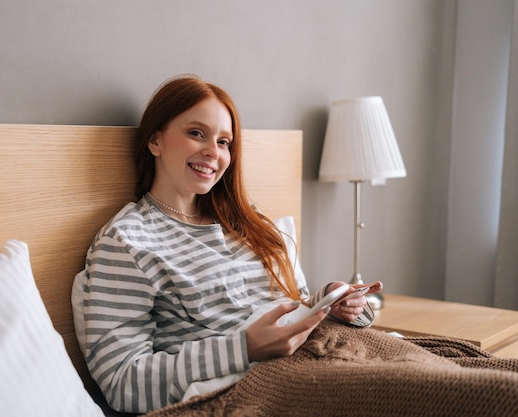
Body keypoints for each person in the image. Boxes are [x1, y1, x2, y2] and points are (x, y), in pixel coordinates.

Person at [77, 74, 382, 414]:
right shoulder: (127, 241)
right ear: (155, 140)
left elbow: (291, 305)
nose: (213, 152)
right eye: (196, 133)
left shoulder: (247, 219)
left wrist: (330, 301)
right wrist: (244, 348)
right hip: (254, 393)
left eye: (224, 142)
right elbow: (121, 383)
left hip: (324, 355)